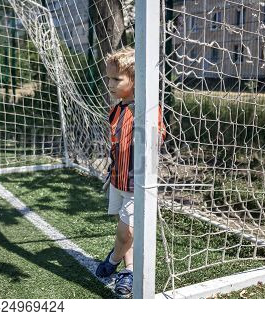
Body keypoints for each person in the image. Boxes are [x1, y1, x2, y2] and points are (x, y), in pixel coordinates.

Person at [96, 47, 164, 298]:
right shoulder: (115, 111)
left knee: (128, 231)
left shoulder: (146, 110)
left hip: (138, 183)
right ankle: (128, 270)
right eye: (109, 79)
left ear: (135, 81)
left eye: (117, 79)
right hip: (117, 181)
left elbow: (156, 138)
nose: (110, 84)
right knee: (122, 227)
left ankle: (112, 261)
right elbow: (116, 146)